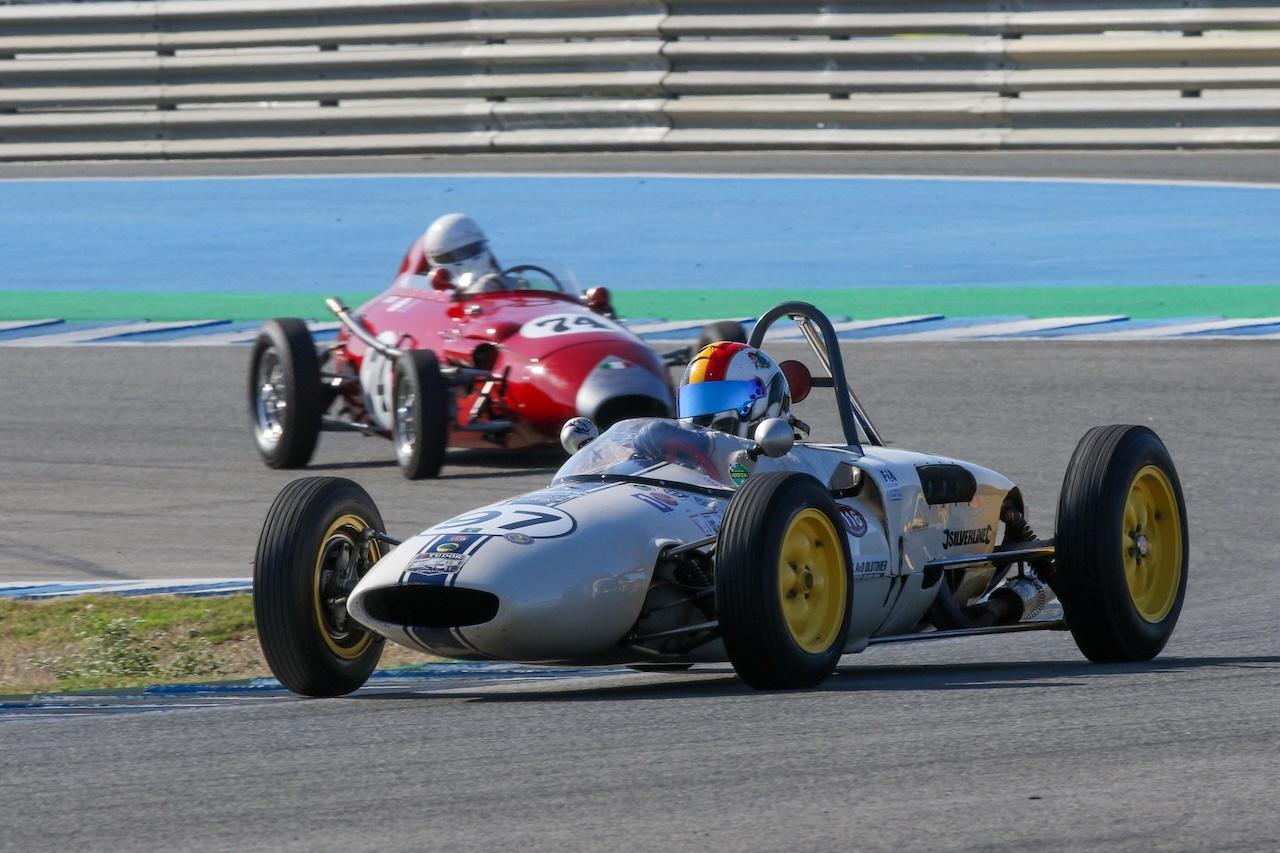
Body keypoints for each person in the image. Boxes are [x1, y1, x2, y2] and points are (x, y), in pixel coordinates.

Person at [676, 342, 792, 438]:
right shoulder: (681, 459)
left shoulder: (788, 465)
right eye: (693, 400)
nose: (699, 414)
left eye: (723, 399)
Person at [421, 213, 503, 290]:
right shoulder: (432, 298)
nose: (471, 259)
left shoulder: (499, 283)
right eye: (460, 254)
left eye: (475, 248)